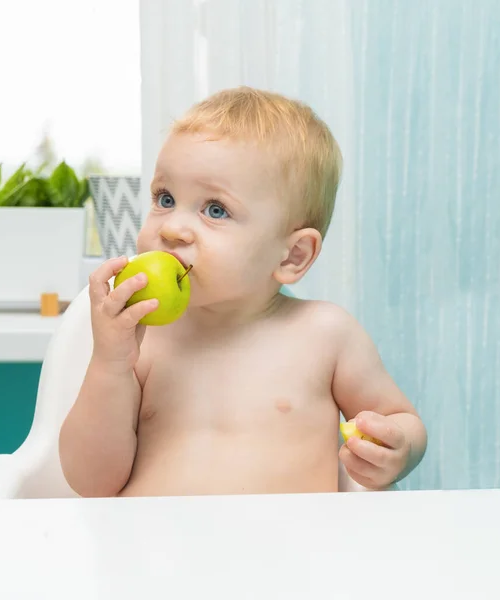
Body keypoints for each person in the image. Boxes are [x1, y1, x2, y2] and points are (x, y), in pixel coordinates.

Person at [59, 86, 427, 497]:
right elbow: (91, 484)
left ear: (292, 256)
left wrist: (399, 447)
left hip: (287, 555)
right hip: (155, 556)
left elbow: (400, 418)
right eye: (165, 198)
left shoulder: (326, 335)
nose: (172, 227)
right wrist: (111, 364)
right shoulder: (143, 342)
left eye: (215, 209)